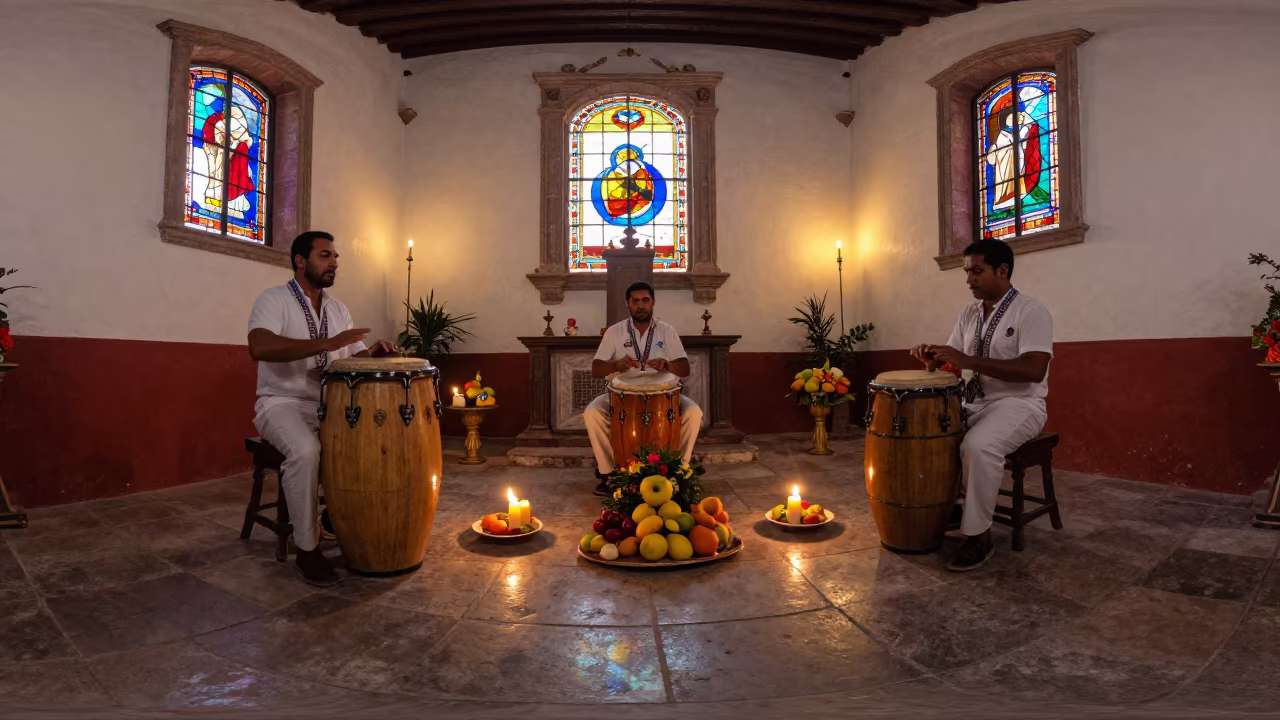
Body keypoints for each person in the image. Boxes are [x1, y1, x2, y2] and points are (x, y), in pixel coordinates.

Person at [246, 231, 399, 586]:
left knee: (370, 443)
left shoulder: (337, 308)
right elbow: (259, 346)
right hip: (280, 403)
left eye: (336, 256)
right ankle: (307, 551)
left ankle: (332, 520)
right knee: (305, 451)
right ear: (301, 261)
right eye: (325, 255)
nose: (334, 263)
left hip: (327, 404)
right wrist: (326, 343)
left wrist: (372, 352)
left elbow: (352, 354)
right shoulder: (274, 300)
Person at [910, 238, 1053, 572]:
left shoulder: (1032, 311)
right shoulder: (969, 313)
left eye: (977, 271)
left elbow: (1034, 370)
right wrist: (932, 359)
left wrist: (966, 358)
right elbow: (953, 362)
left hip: (1020, 404)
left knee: (978, 446)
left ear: (1002, 270)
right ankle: (959, 502)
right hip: (977, 401)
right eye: (967, 272)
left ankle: (978, 537)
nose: (969, 279)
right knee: (936, 435)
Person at [584, 282, 703, 496]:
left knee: (694, 413)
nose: (641, 305)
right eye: (635, 301)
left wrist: (667, 365)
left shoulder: (667, 331)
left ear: (653, 303)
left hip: (664, 395)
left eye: (645, 300)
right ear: (627, 304)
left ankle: (679, 471)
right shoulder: (615, 332)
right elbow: (596, 368)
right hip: (621, 395)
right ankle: (609, 473)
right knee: (592, 413)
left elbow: (684, 367)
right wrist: (616, 365)